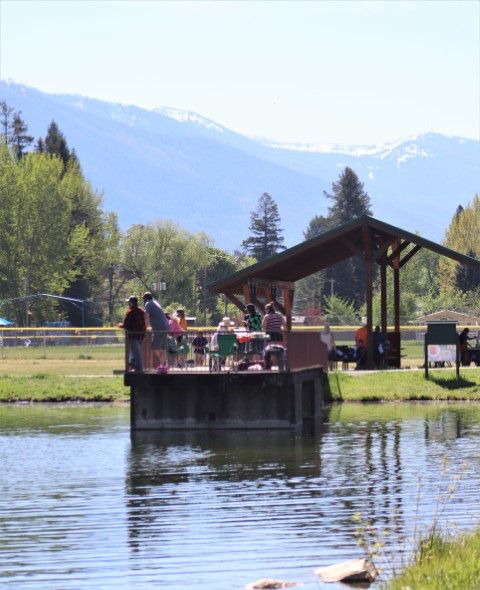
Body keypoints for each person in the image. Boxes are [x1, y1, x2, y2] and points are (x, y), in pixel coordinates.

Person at [118, 296, 146, 372]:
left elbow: (126, 325)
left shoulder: (130, 312)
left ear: (131, 303)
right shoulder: (141, 310)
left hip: (133, 335)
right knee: (135, 353)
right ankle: (133, 365)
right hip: (141, 335)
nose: (128, 303)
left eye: (129, 302)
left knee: (135, 353)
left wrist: (120, 325)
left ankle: (139, 369)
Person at [142, 292, 169, 368]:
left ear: (146, 299)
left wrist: (144, 330)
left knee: (155, 347)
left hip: (159, 328)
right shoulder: (155, 302)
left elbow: (146, 317)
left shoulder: (148, 304)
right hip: (166, 327)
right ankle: (164, 365)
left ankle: (163, 364)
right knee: (162, 348)